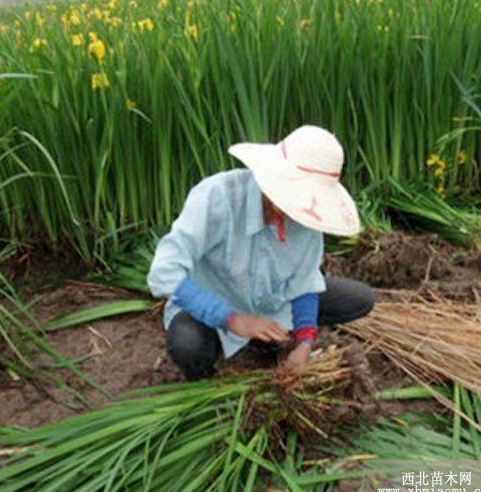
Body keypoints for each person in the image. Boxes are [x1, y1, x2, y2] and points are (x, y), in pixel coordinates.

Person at [147, 125, 375, 380]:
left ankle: (267, 338)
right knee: (187, 344)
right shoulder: (218, 198)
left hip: (271, 304)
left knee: (359, 298)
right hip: (213, 307)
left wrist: (304, 343)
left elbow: (305, 284)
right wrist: (232, 319)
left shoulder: (308, 216)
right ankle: (209, 374)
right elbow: (163, 273)